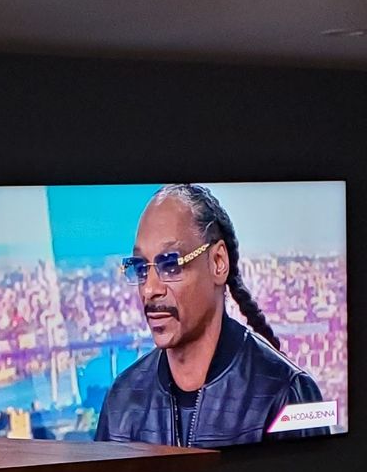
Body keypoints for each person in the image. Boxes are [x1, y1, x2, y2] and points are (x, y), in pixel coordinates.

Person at [93, 183, 325, 446]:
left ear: (217, 263)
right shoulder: (121, 401)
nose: (149, 289)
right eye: (141, 268)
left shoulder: (287, 394)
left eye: (170, 265)